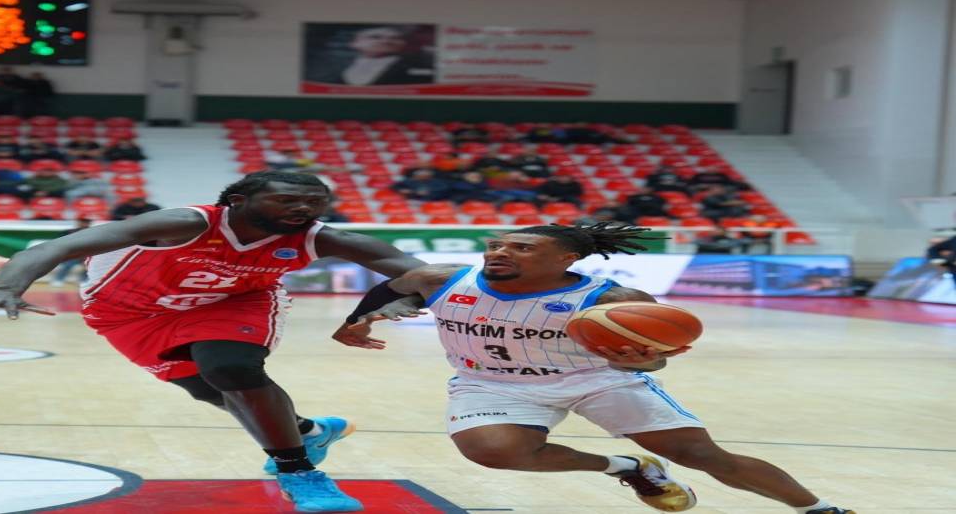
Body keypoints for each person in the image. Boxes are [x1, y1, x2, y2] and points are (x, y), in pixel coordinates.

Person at [0, 171, 427, 512]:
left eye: (315, 202)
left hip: (234, 301)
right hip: (129, 312)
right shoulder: (185, 222)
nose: (304, 209)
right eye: (288, 200)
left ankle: (299, 471)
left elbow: (422, 273)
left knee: (231, 369)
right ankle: (307, 431)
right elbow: (57, 246)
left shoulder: (322, 237)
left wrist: (395, 302)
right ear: (238, 201)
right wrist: (8, 286)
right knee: (205, 388)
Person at [336, 223, 854, 514]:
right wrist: (360, 320)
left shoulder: (615, 300)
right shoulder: (439, 278)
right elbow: (391, 288)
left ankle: (817, 508)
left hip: (593, 379)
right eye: (495, 244)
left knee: (699, 454)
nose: (500, 251)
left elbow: (654, 356)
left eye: (521, 247)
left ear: (565, 259)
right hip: (490, 383)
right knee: (493, 453)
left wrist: (642, 359)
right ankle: (627, 468)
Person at [319, 26, 434, 86]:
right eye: (375, 37)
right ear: (355, 43)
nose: (386, 41)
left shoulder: (418, 65)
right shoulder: (335, 68)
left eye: (395, 38)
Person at [49, 218, 92, 287]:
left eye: (86, 222)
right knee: (68, 263)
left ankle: (83, 280)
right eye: (82, 222)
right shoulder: (69, 232)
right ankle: (58, 279)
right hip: (73, 255)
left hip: (87, 255)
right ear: (78, 222)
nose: (84, 224)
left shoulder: (93, 232)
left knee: (89, 264)